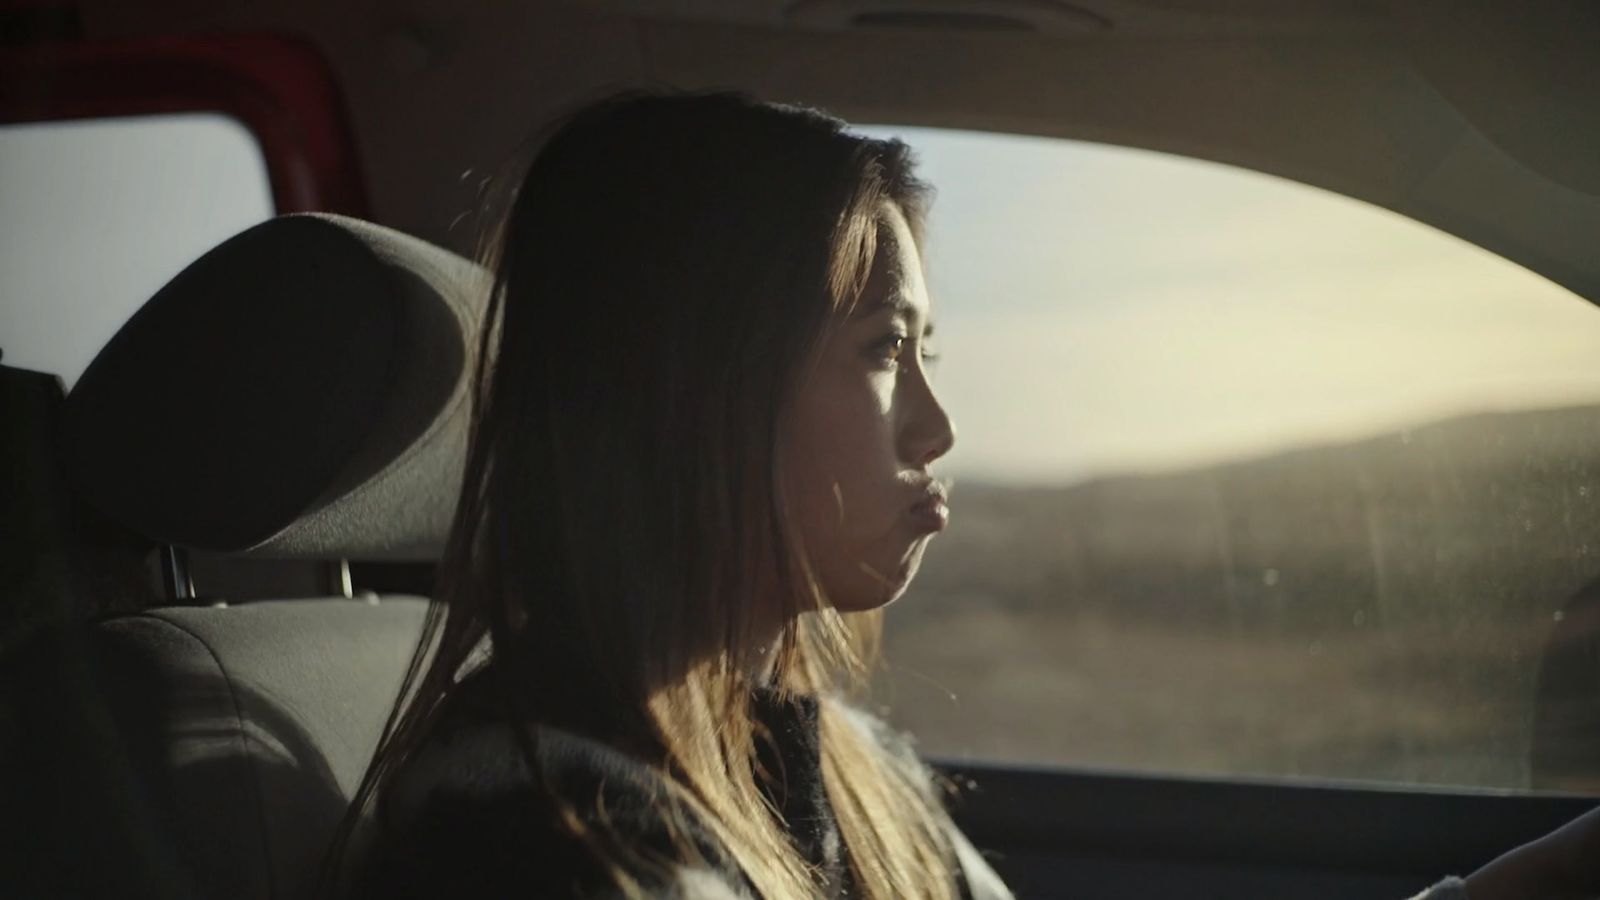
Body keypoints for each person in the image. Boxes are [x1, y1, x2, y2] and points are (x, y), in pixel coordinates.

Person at [329, 90, 1599, 899]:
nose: (936, 426)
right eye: (886, 352)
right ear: (696, 391)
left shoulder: (832, 766)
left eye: (928, 356)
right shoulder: (536, 843)